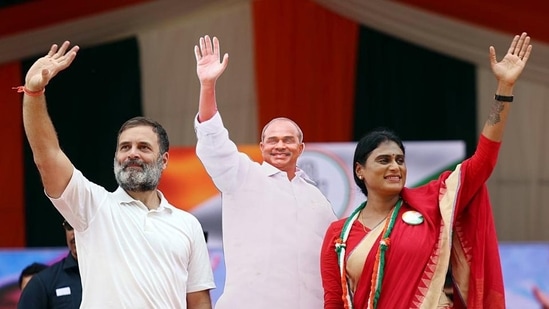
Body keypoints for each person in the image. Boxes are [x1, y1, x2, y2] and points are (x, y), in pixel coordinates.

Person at [320, 32, 532, 308]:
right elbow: (334, 302)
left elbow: (484, 161)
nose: (395, 166)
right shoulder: (339, 235)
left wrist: (504, 88)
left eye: (399, 159)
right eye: (384, 160)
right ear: (360, 170)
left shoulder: (430, 206)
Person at [20, 41, 215, 308]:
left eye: (143, 147)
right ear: (115, 158)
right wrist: (33, 92)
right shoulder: (92, 206)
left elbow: (199, 302)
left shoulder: (188, 225)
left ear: (164, 160)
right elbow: (47, 156)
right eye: (125, 147)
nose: (132, 153)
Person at [193, 35, 337, 308]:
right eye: (272, 140)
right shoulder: (243, 175)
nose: (280, 145)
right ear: (261, 146)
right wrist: (208, 85)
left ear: (301, 148)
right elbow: (213, 141)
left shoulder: (319, 200)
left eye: (288, 140)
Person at [18, 220, 81, 308]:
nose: (74, 233)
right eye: (69, 226)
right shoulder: (43, 283)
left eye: (81, 226)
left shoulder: (106, 274)